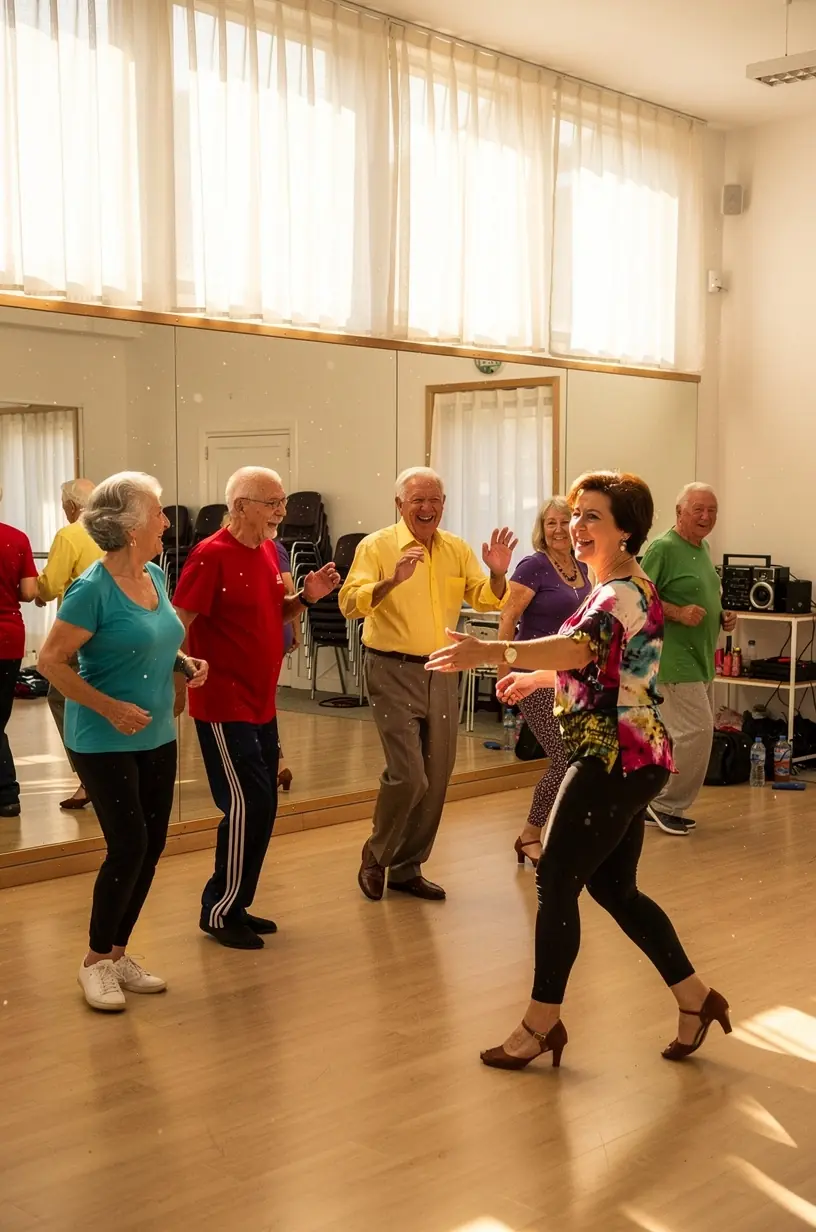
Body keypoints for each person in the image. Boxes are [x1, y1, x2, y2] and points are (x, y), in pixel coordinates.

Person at [427, 471, 731, 1067]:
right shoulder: (614, 588)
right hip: (633, 753)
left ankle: (542, 1025)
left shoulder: (620, 592)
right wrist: (535, 677)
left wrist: (491, 652)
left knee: (555, 880)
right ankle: (697, 999)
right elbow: (608, 669)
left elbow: (578, 651)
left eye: (593, 516)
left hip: (614, 757)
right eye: (575, 514)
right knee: (616, 890)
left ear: (626, 531)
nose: (577, 526)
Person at [38, 473, 208, 1012]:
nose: (165, 521)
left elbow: (156, 640)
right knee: (129, 846)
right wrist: (108, 706)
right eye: (157, 514)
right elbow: (50, 662)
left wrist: (183, 663)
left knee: (152, 846)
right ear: (131, 527)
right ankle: (93, 962)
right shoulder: (91, 589)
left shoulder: (155, 575)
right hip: (102, 738)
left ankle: (117, 952)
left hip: (157, 731)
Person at [173, 467, 340, 951]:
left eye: (283, 502)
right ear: (241, 505)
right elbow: (177, 622)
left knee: (262, 806)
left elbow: (276, 612)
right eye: (273, 503)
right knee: (247, 803)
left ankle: (236, 903)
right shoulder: (209, 556)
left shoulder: (269, 550)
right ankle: (220, 911)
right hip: (223, 702)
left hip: (260, 699)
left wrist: (305, 599)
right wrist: (182, 677)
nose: (282, 513)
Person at [339, 466, 516, 903]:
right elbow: (349, 603)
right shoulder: (377, 546)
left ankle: (406, 866)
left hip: (443, 669)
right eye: (417, 499)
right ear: (399, 505)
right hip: (391, 668)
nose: (427, 507)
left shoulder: (454, 547)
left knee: (436, 776)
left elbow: (485, 597)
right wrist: (391, 581)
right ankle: (376, 853)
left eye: (434, 500)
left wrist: (496, 573)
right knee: (409, 775)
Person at [497, 496, 592, 867]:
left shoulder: (581, 566)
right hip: (529, 676)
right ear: (542, 528)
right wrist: (504, 676)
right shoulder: (533, 566)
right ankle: (530, 835)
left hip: (566, 675)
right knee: (563, 756)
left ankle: (559, 833)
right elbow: (508, 619)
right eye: (549, 523)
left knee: (579, 758)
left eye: (563, 522)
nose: (556, 529)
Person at [641, 483, 736, 836]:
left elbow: (704, 594)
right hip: (672, 660)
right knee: (696, 733)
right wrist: (678, 612)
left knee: (681, 735)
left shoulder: (702, 547)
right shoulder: (663, 548)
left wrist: (722, 615)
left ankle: (654, 800)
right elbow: (640, 598)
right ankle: (666, 805)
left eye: (712, 511)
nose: (706, 517)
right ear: (679, 511)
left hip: (700, 659)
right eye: (698, 509)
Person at [36, 478, 103, 810]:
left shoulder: (71, 534)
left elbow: (49, 586)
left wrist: (35, 592)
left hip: (79, 633)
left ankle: (88, 777)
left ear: (71, 507)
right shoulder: (111, 531)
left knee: (62, 696)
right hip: (113, 630)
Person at [0, 491, 38, 819]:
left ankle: (6, 791)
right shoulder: (17, 538)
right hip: (8, 638)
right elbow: (28, 592)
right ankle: (7, 794)